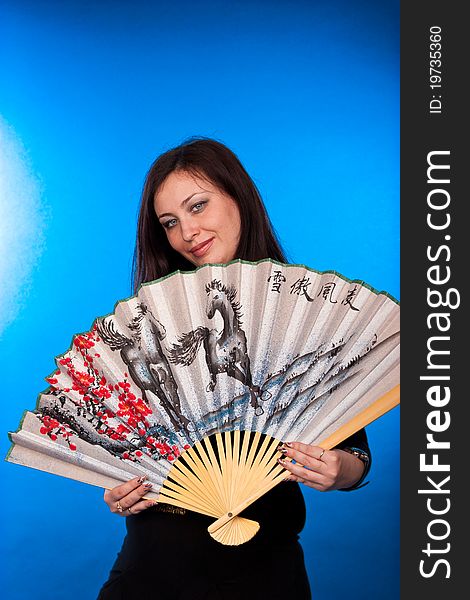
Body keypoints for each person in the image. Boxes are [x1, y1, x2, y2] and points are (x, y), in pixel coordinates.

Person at [97, 137, 371, 600]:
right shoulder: (147, 324)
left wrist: (339, 470)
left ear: (237, 197)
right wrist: (118, 487)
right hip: (150, 572)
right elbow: (124, 443)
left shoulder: (305, 314)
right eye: (170, 222)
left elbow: (356, 459)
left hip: (263, 574)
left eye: (198, 206)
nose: (187, 232)